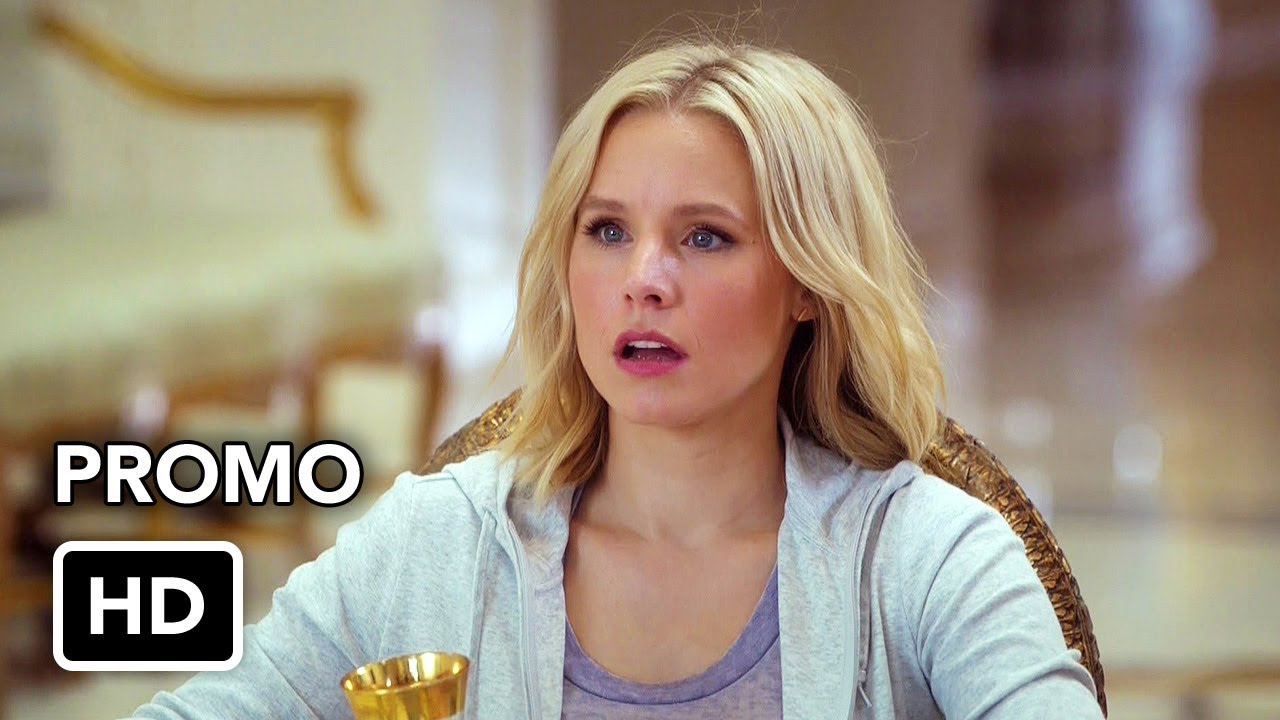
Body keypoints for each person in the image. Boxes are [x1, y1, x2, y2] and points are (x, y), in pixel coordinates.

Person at [127, 39, 1102, 719]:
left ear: (807, 282)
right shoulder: (437, 542)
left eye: (704, 237)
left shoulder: (925, 556)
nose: (644, 280)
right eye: (606, 230)